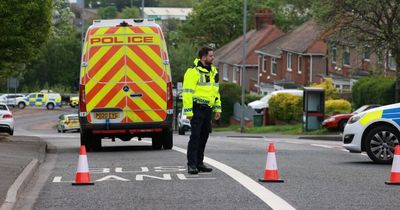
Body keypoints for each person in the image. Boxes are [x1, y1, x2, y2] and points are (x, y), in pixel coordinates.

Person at [182, 46, 222, 174]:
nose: (213, 57)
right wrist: (188, 112)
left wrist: (217, 109)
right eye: (210, 56)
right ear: (203, 57)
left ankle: (199, 163)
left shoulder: (213, 72)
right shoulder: (192, 72)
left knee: (204, 136)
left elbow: (216, 92)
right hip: (197, 109)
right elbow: (187, 93)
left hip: (208, 110)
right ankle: (191, 164)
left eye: (212, 55)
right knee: (195, 137)